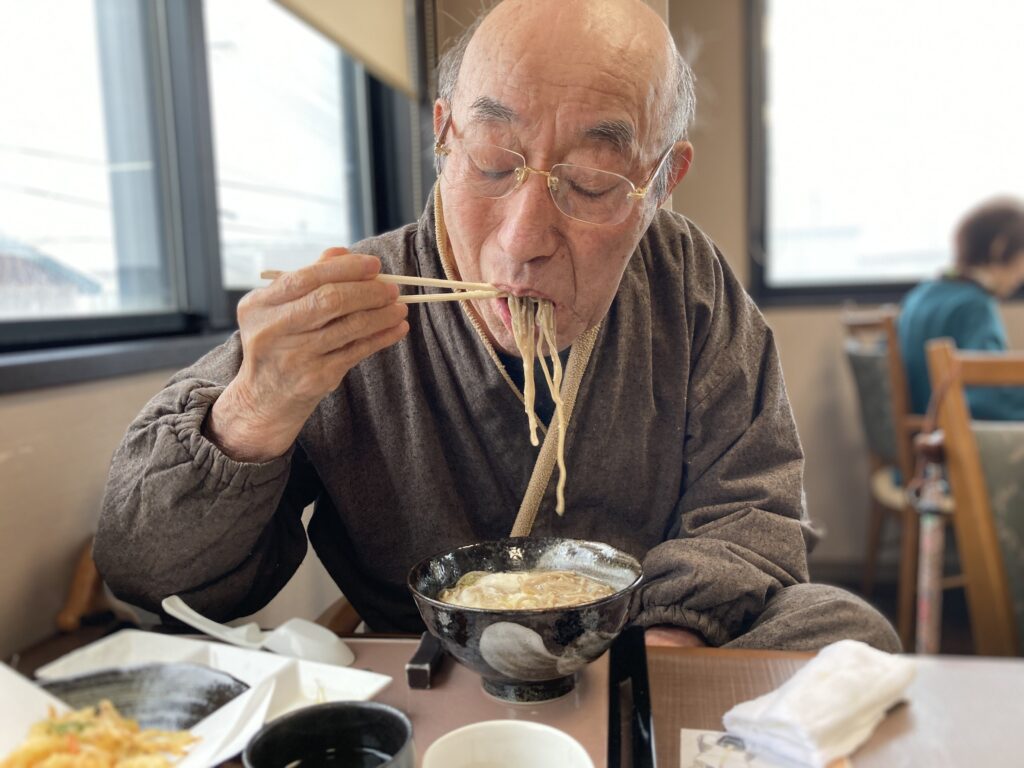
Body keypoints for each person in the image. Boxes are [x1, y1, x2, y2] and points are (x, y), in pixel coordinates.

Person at [95, 0, 898, 652]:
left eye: (592, 181)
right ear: (444, 136)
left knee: (846, 630)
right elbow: (146, 579)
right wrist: (251, 412)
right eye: (490, 161)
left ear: (661, 181)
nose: (523, 240)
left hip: (641, 649)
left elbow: (752, 510)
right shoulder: (358, 297)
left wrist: (654, 663)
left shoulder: (688, 283)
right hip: (436, 667)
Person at [899, 197, 1024, 417]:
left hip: (927, 424)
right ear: (1000, 247)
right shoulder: (974, 307)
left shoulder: (920, 295)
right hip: (958, 427)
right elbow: (990, 393)